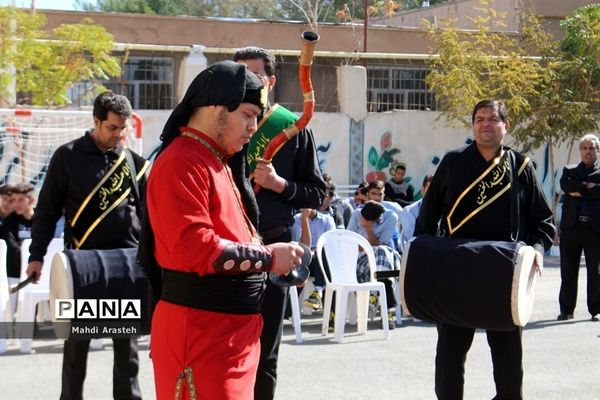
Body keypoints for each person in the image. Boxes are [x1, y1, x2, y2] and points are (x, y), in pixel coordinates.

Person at [142, 60, 304, 400]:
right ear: (216, 108)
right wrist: (269, 257)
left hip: (230, 338)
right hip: (200, 337)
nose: (254, 126)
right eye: (247, 114)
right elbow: (194, 249)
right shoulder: (181, 162)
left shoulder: (215, 160)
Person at [416, 99, 554, 400]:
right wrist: (424, 261)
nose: (486, 124)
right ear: (473, 124)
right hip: (456, 273)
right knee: (450, 358)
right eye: (479, 118)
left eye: (493, 118)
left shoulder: (521, 167)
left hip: (503, 276)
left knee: (508, 363)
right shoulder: (452, 163)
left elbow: (543, 222)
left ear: (506, 125)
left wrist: (537, 251)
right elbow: (426, 220)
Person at [26, 91, 149, 400]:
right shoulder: (67, 156)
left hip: (126, 268)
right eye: (112, 128)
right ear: (96, 121)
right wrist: (36, 256)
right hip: (82, 268)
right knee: (76, 345)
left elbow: (149, 216)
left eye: (124, 129)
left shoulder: (134, 163)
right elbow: (47, 210)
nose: (119, 135)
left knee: (127, 349)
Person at [233, 46, 326, 400]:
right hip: (227, 246)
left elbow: (317, 194)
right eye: (239, 75)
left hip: (273, 247)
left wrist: (279, 184)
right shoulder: (219, 123)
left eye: (255, 76)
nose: (247, 82)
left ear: (270, 81)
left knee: (265, 350)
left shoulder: (291, 126)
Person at [557, 133, 600, 322]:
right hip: (571, 228)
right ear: (580, 151)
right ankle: (566, 310)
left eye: (591, 148)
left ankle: (596, 311)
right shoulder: (569, 169)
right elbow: (565, 185)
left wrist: (579, 191)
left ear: (597, 150)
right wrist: (588, 186)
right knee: (568, 271)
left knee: (596, 272)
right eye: (584, 148)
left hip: (595, 229)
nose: (587, 151)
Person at [291, 208, 336, 311]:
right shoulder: (296, 220)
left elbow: (330, 244)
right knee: (316, 257)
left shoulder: (327, 219)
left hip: (322, 260)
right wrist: (305, 219)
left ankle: (318, 290)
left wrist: (317, 250)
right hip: (303, 260)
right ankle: (319, 292)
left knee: (322, 253)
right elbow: (304, 246)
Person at [1, 183, 35, 314]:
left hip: (38, 270)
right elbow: (10, 243)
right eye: (13, 200)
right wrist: (27, 256)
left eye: (20, 200)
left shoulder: (41, 220)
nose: (16, 204)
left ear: (31, 200)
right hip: (15, 271)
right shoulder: (11, 219)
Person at [398, 174, 433, 252]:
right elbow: (413, 241)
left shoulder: (447, 211)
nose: (434, 194)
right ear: (422, 190)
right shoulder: (408, 211)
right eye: (431, 190)